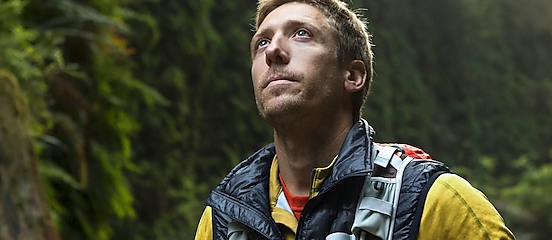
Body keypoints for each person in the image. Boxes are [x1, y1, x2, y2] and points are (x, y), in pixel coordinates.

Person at [194, 0, 514, 239]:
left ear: (353, 76)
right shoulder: (223, 216)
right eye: (261, 42)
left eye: (302, 34)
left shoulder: (434, 203)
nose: (273, 50)